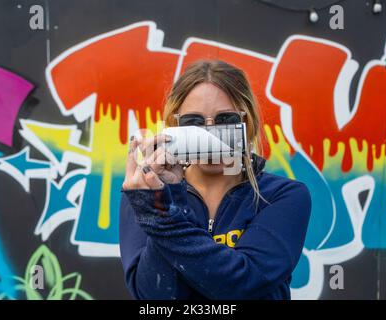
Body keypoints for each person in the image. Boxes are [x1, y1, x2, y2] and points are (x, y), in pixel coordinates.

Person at [119, 59, 311, 300]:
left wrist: (164, 220)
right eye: (194, 123)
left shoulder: (282, 195)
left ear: (246, 121)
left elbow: (246, 283)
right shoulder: (147, 198)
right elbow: (154, 297)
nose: (209, 131)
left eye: (225, 120)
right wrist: (164, 203)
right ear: (174, 125)